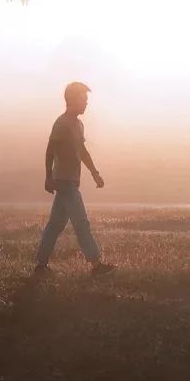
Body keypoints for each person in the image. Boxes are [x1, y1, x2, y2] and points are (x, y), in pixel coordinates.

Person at [34, 81, 114, 276]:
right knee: (81, 222)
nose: (86, 103)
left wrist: (95, 172)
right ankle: (96, 264)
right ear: (72, 100)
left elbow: (83, 151)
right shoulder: (61, 124)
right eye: (83, 99)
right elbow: (50, 151)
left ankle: (41, 265)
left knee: (55, 225)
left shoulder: (78, 124)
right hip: (65, 182)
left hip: (70, 181)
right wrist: (48, 177)